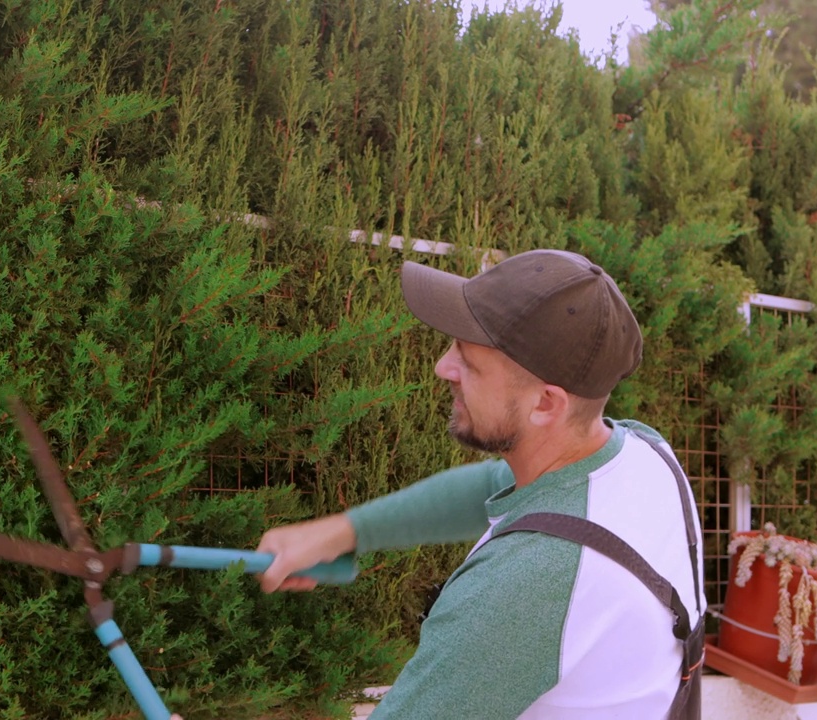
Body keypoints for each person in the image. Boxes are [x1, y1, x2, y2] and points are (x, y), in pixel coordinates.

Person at [256, 249, 705, 719]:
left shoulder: (528, 585)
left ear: (547, 405)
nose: (442, 368)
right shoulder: (645, 455)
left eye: (468, 362)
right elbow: (495, 486)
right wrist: (340, 533)